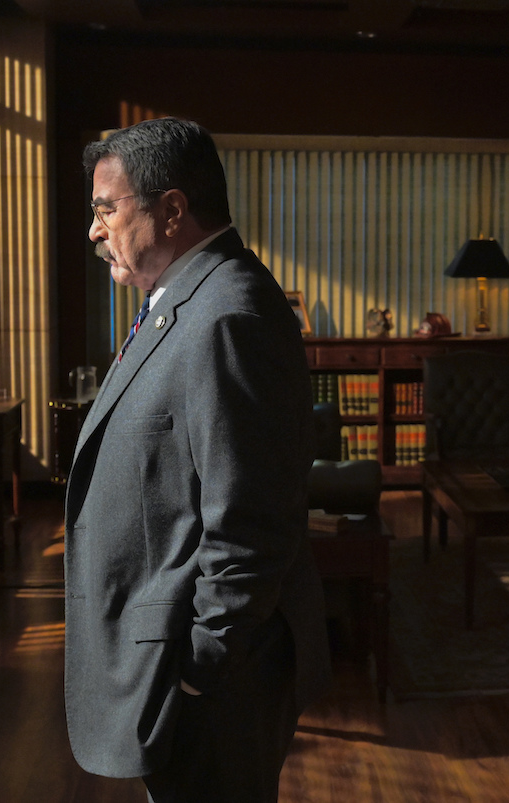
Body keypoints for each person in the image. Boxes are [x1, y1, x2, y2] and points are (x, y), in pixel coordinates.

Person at [64, 117, 331, 802]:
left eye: (105, 208)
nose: (94, 230)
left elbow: (250, 524)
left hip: (215, 679)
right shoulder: (178, 301)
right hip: (177, 662)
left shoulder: (227, 315)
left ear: (173, 208)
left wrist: (199, 669)